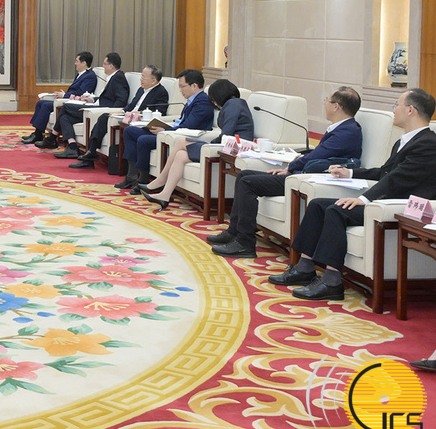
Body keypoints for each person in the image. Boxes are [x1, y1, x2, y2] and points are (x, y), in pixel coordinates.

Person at [269, 88, 436, 301]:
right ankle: (304, 267)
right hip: (385, 202)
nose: (394, 110)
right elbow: (385, 172)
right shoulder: (404, 140)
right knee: (318, 205)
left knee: (337, 210)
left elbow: (397, 179)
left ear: (410, 110)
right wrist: (349, 172)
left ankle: (332, 281)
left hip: (401, 208)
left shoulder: (428, 143)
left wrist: (364, 199)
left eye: (397, 106)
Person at [212, 87, 363, 258]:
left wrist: (290, 168)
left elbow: (318, 155)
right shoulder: (342, 128)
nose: (325, 104)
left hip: (308, 179)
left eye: (327, 101)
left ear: (336, 106)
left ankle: (245, 243)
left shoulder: (348, 131)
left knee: (248, 183)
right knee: (243, 175)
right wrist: (290, 168)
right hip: (300, 174)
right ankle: (234, 232)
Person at [138, 79, 254, 210]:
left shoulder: (233, 104)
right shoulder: (235, 104)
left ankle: (161, 180)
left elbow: (226, 135)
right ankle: (164, 195)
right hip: (226, 146)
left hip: (231, 150)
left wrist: (209, 145)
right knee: (181, 155)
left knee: (181, 142)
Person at [115, 69, 214, 190]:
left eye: (182, 87)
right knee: (130, 131)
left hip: (181, 136)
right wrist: (165, 126)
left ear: (194, 86)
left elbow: (189, 125)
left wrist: (165, 130)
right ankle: (131, 175)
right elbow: (181, 121)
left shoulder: (202, 102)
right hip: (173, 131)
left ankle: (143, 179)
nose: (180, 90)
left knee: (143, 140)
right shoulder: (192, 100)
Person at [70, 65, 170, 169]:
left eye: (143, 77)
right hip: (128, 115)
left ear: (153, 81)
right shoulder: (141, 89)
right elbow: (132, 105)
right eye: (141, 76)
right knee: (104, 117)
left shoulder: (161, 92)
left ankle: (93, 155)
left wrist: (140, 112)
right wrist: (121, 111)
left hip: (139, 119)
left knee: (111, 121)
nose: (141, 79)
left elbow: (160, 111)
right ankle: (91, 150)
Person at [51, 52, 129, 159]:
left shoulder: (118, 78)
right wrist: (92, 99)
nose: (103, 66)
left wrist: (112, 111)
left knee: (66, 106)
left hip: (102, 110)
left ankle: (52, 136)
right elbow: (107, 97)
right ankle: (72, 147)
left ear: (111, 66)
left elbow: (121, 100)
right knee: (64, 117)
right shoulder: (112, 77)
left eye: (104, 64)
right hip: (97, 106)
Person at [21, 52, 97, 148]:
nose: (75, 63)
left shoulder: (90, 76)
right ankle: (38, 133)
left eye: (76, 61)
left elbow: (81, 92)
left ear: (84, 63)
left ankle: (38, 134)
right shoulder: (81, 74)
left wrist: (65, 95)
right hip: (68, 99)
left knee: (45, 105)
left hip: (74, 102)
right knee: (40, 103)